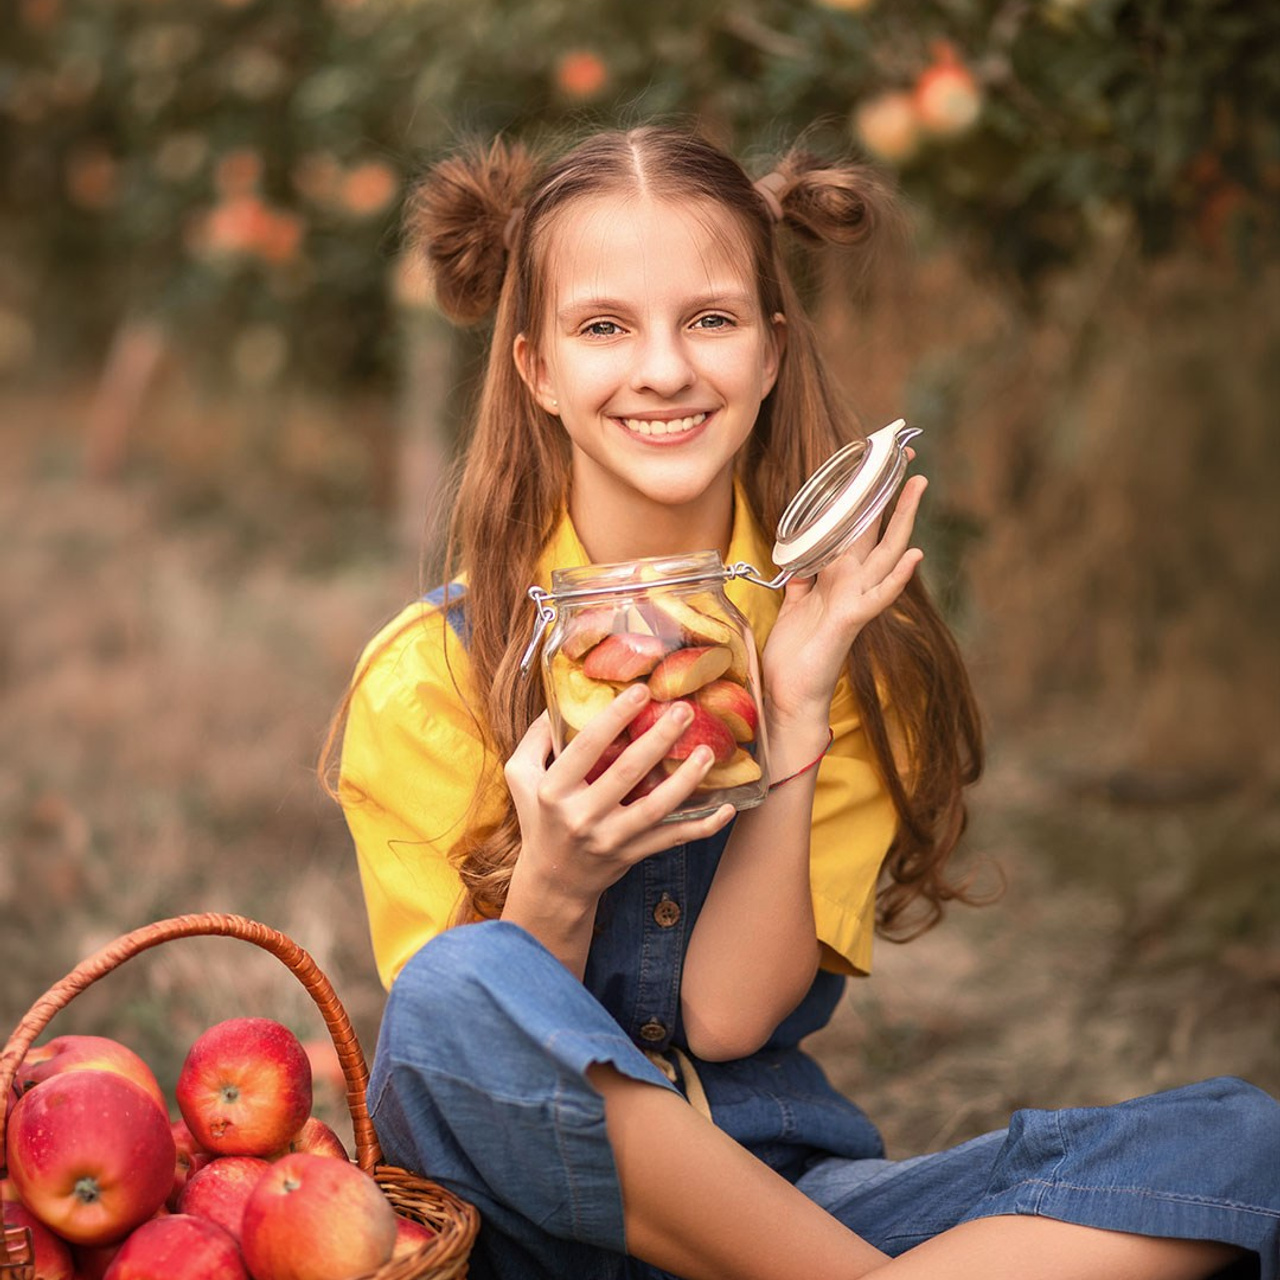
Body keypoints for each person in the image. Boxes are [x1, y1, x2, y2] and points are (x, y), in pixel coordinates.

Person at [324, 124, 1280, 1280]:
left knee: (1238, 1143)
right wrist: (559, 878)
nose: (663, 368)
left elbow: (727, 1017)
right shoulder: (432, 674)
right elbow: (467, 1069)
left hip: (784, 1211)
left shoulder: (842, 655)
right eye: (603, 327)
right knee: (453, 989)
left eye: (709, 319)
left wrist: (789, 706)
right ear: (536, 369)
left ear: (771, 350)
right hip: (536, 1241)